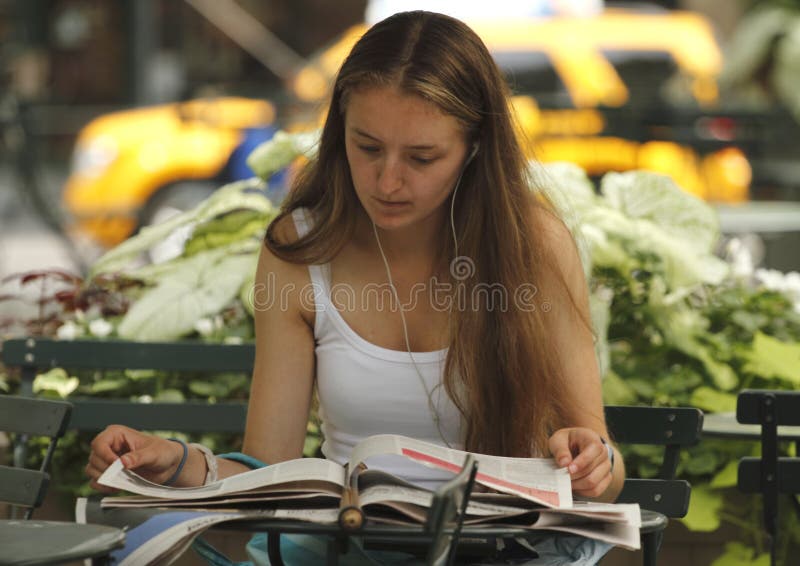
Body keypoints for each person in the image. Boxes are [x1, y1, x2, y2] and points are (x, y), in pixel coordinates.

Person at [85, 10, 625, 565]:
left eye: (422, 157)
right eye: (367, 147)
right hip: (345, 546)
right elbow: (270, 473)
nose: (388, 181)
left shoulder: (534, 244)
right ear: (339, 131)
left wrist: (592, 462)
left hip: (501, 550)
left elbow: (603, 473)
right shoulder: (300, 250)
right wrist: (173, 462)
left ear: (476, 147)